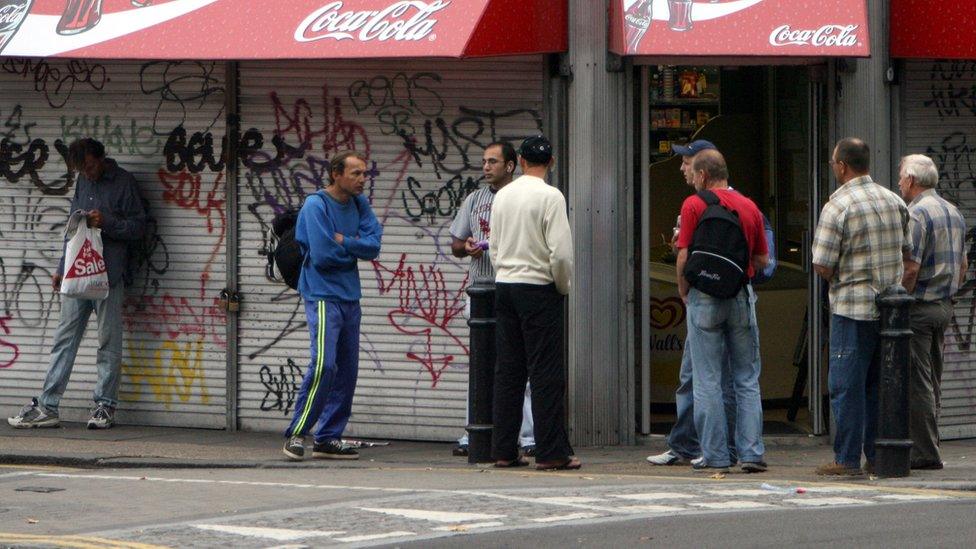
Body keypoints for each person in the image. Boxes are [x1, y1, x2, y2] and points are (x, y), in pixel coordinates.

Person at [648, 141, 776, 469]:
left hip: (703, 298)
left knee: (706, 379)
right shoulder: (749, 207)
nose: (687, 175)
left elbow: (683, 255)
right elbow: (763, 259)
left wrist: (684, 291)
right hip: (740, 297)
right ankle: (751, 453)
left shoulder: (693, 205)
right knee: (746, 378)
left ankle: (716, 455)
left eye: (691, 170)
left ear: (704, 175)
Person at [7, 138, 147, 430]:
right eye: (82, 170)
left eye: (91, 167)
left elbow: (139, 227)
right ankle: (48, 405)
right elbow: (73, 228)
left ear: (101, 158)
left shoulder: (124, 183)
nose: (88, 173)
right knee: (64, 338)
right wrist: (61, 267)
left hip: (108, 275)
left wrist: (107, 222)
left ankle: (104, 406)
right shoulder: (83, 184)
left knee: (108, 342)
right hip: (78, 273)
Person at [812, 138, 910, 476]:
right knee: (877, 386)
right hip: (889, 312)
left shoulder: (838, 207)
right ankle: (876, 455)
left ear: (842, 166)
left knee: (845, 386)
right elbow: (907, 253)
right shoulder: (894, 200)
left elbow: (822, 264)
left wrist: (842, 273)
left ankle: (846, 459)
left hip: (852, 308)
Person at [282, 151, 383, 461]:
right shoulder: (317, 206)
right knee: (325, 363)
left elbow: (374, 246)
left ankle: (328, 437)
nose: (362, 180)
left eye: (364, 173)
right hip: (323, 295)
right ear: (336, 174)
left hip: (350, 296)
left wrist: (345, 241)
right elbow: (323, 256)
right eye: (356, 174)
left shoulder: (359, 204)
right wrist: (351, 247)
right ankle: (297, 433)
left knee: (347, 371)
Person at [488, 135, 577, 470]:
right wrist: (562, 286)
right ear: (550, 163)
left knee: (508, 370)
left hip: (506, 285)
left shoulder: (503, 195)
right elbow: (562, 254)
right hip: (539, 287)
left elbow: (494, 245)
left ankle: (504, 449)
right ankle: (552, 452)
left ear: (521, 161)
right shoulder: (551, 196)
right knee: (545, 372)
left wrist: (504, 270)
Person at [449, 142, 536, 458]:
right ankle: (473, 433)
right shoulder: (474, 199)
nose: (486, 167)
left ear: (511, 166)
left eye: (493, 162)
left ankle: (527, 437)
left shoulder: (522, 198)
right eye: (484, 161)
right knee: (480, 366)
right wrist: (466, 246)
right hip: (480, 288)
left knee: (518, 365)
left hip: (512, 287)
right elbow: (456, 243)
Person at [898, 154, 967, 471]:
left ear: (911, 180)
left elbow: (910, 267)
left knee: (918, 382)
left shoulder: (917, 214)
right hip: (945, 306)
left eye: (901, 177)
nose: (899, 183)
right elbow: (962, 267)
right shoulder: (953, 212)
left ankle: (925, 452)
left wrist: (900, 298)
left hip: (921, 309)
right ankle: (931, 442)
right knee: (934, 381)